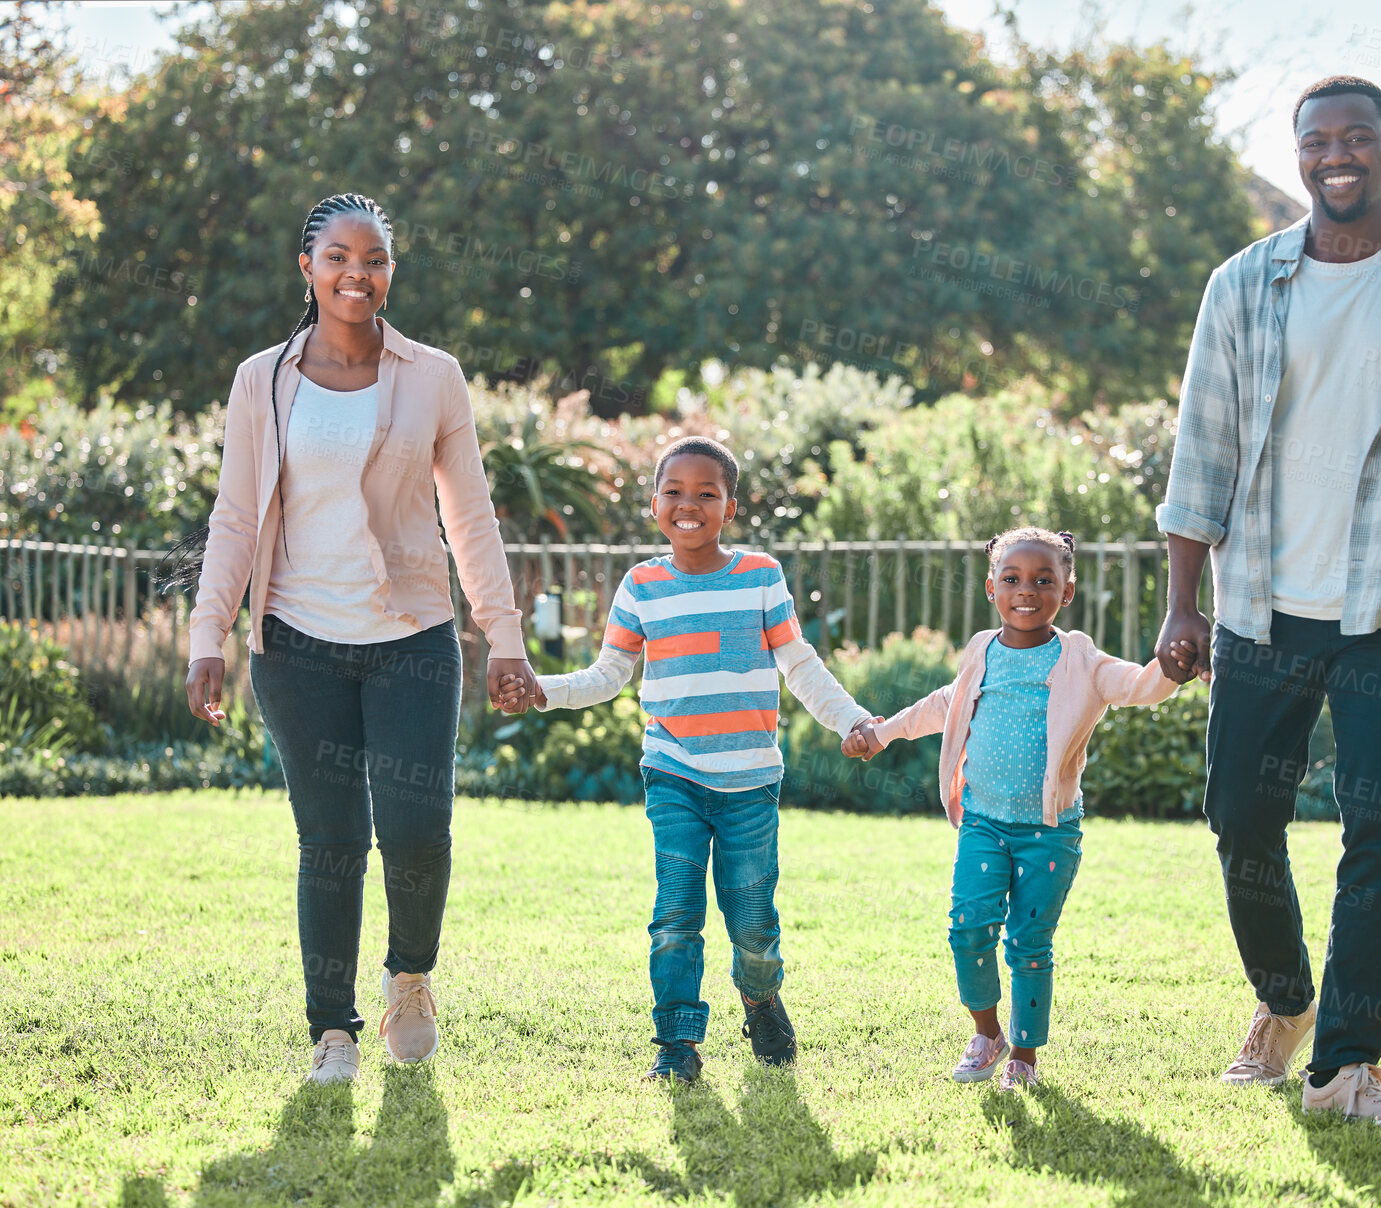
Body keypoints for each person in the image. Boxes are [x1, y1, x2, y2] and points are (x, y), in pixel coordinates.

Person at [1152, 76, 1381, 1125]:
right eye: (1318, 141)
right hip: (1260, 603)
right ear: (1298, 154)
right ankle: (1287, 1000)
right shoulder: (1244, 284)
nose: (1336, 154)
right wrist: (1183, 601)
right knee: (1241, 818)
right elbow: (1198, 449)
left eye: (1357, 137)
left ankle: (1346, 1067)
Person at [184, 192, 537, 1085]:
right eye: (339, 256)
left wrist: (503, 634)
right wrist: (208, 634)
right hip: (296, 644)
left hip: (411, 634)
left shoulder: (432, 376)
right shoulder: (261, 379)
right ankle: (333, 1031)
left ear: (390, 271)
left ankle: (409, 976)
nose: (358, 272)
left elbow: (472, 515)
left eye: (375, 258)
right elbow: (233, 516)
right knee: (330, 839)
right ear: (306, 267)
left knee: (418, 831)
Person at [499, 436, 878, 1084]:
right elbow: (610, 672)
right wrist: (544, 690)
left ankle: (759, 996)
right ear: (654, 505)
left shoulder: (760, 576)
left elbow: (799, 664)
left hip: (751, 780)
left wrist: (852, 719)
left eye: (707, 493)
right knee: (677, 912)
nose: (689, 504)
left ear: (730, 508)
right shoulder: (642, 585)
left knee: (753, 917)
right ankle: (677, 1044)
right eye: (675, 491)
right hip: (673, 772)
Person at [844, 527, 1187, 1090]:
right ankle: (988, 1033)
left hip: (1048, 833)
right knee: (968, 928)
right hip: (982, 822)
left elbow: (1140, 686)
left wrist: (1173, 665)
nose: (1026, 590)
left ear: (1067, 591)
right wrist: (883, 733)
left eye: (1043, 580)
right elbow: (946, 706)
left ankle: (1024, 1058)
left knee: (1029, 945)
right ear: (991, 588)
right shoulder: (981, 651)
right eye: (1012, 579)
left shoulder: (1081, 660)